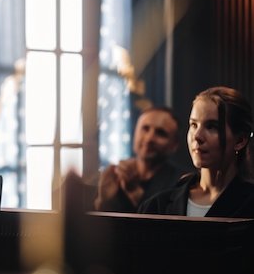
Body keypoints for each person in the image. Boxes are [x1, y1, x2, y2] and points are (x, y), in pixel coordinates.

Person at [139, 86, 254, 217]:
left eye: (212, 127)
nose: (197, 136)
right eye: (194, 125)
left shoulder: (249, 204)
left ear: (240, 141)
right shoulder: (158, 206)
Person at [94, 106, 184, 212]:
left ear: (174, 145)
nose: (149, 138)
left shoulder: (182, 183)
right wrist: (104, 200)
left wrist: (135, 191)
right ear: (135, 132)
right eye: (145, 128)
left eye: (160, 133)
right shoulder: (113, 176)